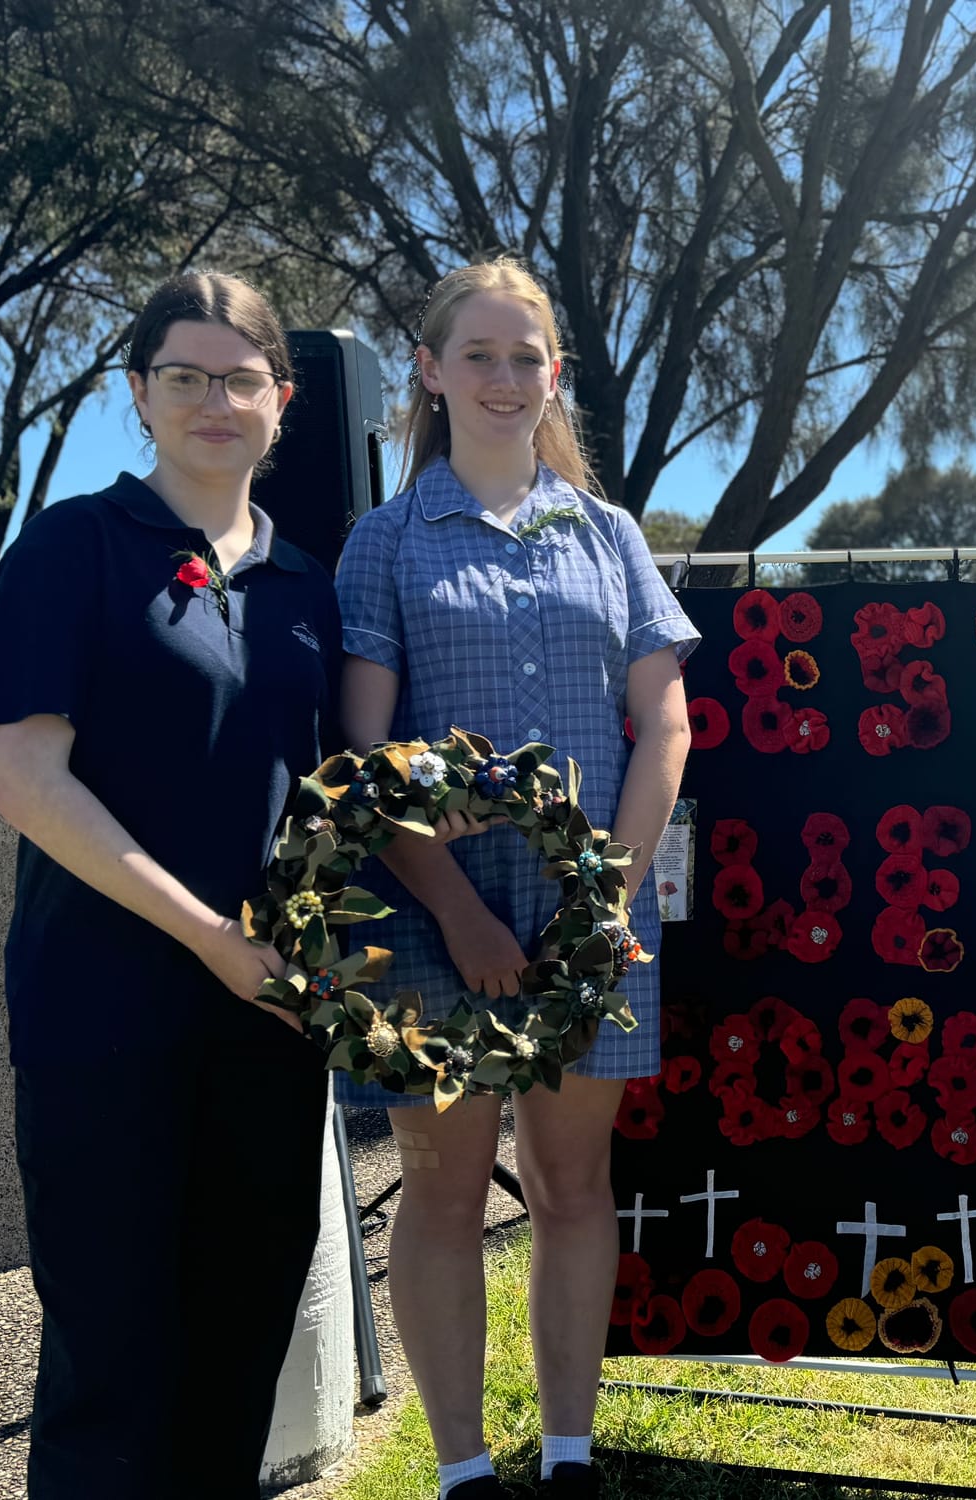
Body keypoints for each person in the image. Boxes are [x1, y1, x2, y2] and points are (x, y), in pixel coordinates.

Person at [0, 273, 339, 1498]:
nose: (213, 401)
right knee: (111, 1364)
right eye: (184, 376)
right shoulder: (73, 548)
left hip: (269, 1027)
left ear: (280, 401)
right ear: (138, 394)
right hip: (101, 1020)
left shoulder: (308, 588)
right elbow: (21, 778)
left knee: (238, 1350)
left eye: (240, 379)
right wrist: (208, 936)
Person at [333, 258, 696, 1500]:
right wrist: (461, 910)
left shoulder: (611, 536)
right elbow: (365, 758)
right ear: (429, 372)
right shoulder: (382, 543)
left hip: (592, 924)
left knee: (572, 1185)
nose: (502, 378)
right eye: (476, 355)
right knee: (438, 1189)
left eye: (523, 356)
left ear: (555, 374)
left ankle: (568, 1454)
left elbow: (665, 724)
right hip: (436, 926)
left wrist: (607, 896)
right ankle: (462, 1470)